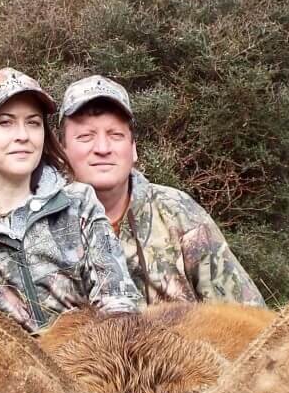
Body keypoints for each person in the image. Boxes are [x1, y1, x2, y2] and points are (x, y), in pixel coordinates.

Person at [0, 68, 141, 333]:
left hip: (86, 362)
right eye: (5, 122)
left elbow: (119, 306)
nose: (23, 135)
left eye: (33, 122)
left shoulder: (79, 204)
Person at [59, 74, 265, 307]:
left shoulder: (178, 211)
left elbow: (245, 313)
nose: (103, 148)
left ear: (133, 148)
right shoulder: (44, 225)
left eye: (116, 135)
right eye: (86, 136)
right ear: (62, 151)